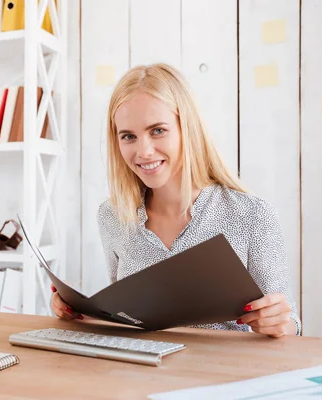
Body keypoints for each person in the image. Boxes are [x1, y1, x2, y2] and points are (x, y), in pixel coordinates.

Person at [51, 63, 301, 337]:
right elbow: (127, 320)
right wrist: (80, 313)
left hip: (224, 374)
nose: (144, 151)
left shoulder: (251, 215)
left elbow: (289, 328)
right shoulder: (113, 216)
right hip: (143, 375)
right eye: (129, 136)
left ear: (187, 129)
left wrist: (280, 323)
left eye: (157, 130)